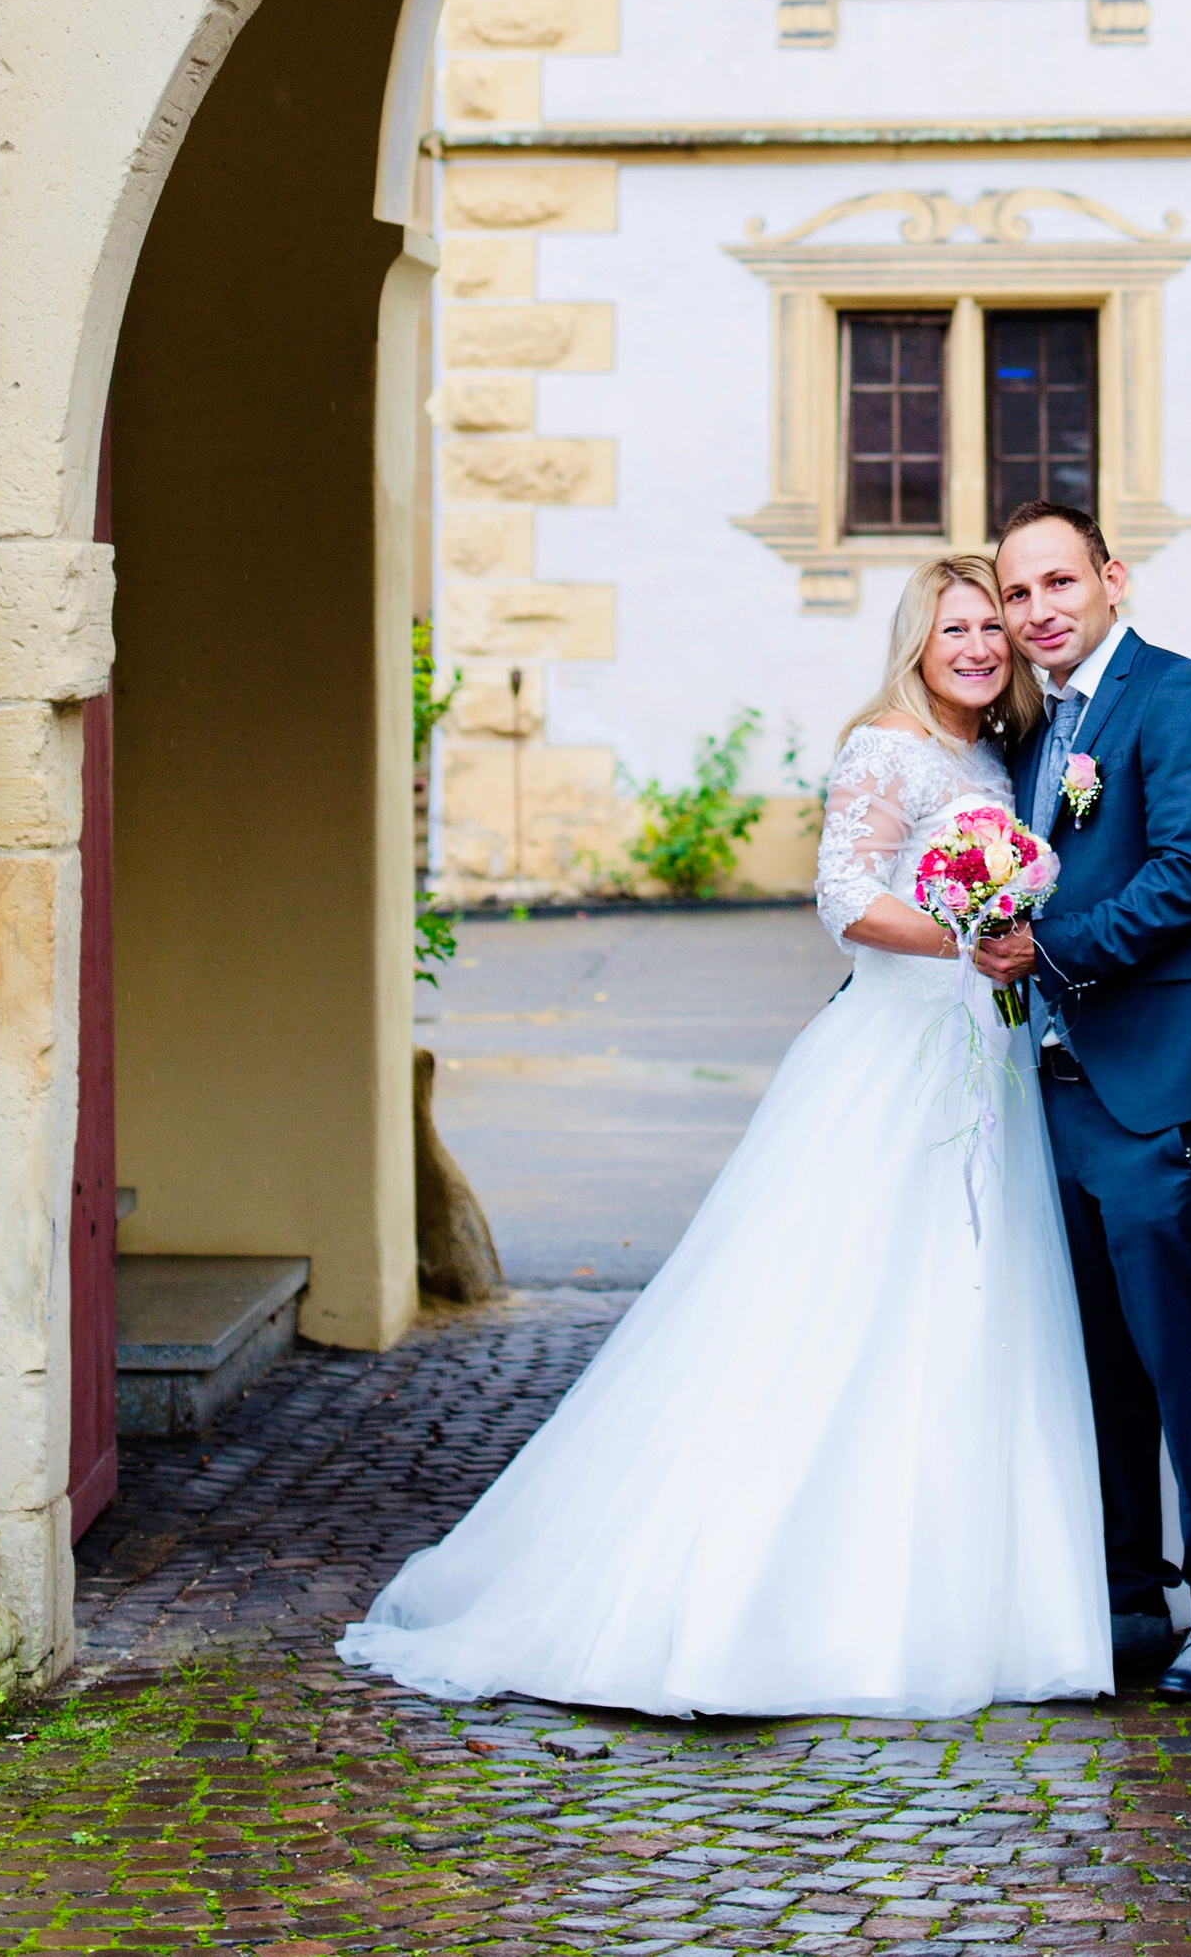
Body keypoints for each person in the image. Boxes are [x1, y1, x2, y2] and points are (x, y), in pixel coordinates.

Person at [338, 558, 1111, 1719]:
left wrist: (1004, 934)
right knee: (837, 1309)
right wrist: (969, 931)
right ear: (917, 639)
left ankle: (972, 1600)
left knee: (969, 1306)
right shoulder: (885, 747)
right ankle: (759, 1596)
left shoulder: (1000, 757)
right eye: (953, 626)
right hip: (893, 1058)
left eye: (989, 628)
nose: (977, 645)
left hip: (982, 1062)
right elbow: (846, 895)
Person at [982, 498, 1191, 1702]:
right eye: (1017, 592)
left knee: (1179, 1346)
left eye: (1058, 581)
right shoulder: (1030, 729)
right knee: (1096, 1352)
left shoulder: (1182, 696)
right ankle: (1124, 1597)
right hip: (1055, 1085)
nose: (1037, 609)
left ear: (1112, 578)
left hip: (1164, 1078)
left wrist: (1047, 952)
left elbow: (1188, 871)